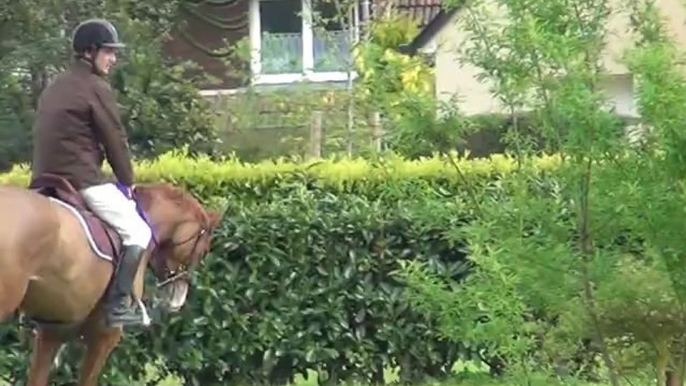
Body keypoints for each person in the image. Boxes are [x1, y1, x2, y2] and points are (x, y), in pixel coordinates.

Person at [30, 18, 152, 328]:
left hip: (43, 180)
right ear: (90, 52)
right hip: (81, 179)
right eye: (109, 52)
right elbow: (114, 138)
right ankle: (118, 305)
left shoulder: (53, 85)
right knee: (139, 231)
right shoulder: (95, 87)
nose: (113, 59)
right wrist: (127, 180)